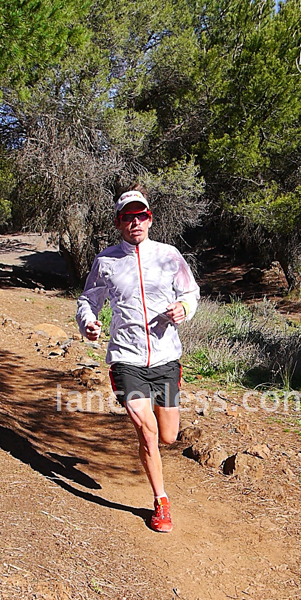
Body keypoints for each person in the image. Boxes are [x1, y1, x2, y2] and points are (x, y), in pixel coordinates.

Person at [76, 189, 200, 533]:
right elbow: (88, 299)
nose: (135, 222)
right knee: (147, 432)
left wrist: (184, 308)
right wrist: (88, 322)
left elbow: (191, 292)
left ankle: (154, 449)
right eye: (128, 217)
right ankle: (161, 501)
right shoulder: (107, 261)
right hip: (126, 358)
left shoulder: (169, 255)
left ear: (150, 219)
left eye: (141, 216)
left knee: (168, 436)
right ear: (119, 223)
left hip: (165, 358)